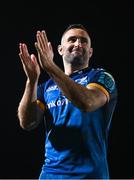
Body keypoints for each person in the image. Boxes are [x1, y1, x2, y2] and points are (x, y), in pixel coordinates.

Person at [18, 24, 117, 179]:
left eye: (84, 41)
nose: (78, 43)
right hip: (50, 174)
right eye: (72, 39)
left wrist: (50, 67)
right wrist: (32, 81)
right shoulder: (46, 87)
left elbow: (87, 102)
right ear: (60, 50)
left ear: (90, 52)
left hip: (89, 175)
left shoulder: (100, 77)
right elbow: (27, 122)